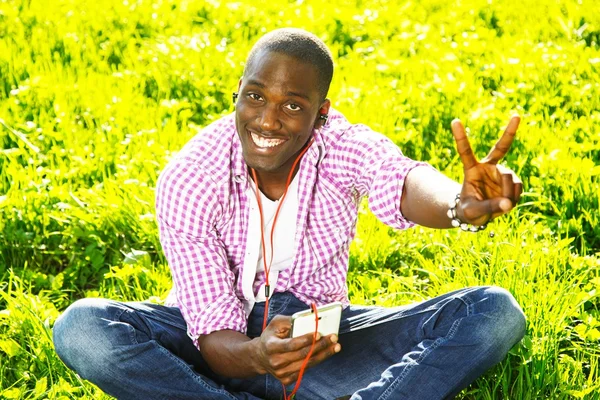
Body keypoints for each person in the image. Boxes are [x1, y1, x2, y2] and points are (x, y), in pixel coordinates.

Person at [53, 28, 526, 400]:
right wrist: (257, 355)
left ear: (321, 114)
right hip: (208, 345)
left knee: (493, 313)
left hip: (316, 346)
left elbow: (398, 179)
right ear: (238, 91)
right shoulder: (191, 176)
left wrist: (457, 205)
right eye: (256, 96)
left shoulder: (341, 146)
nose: (267, 120)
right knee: (83, 328)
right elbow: (216, 341)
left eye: (293, 106)